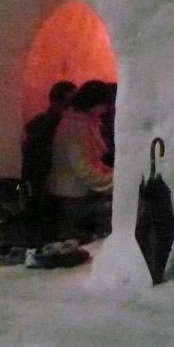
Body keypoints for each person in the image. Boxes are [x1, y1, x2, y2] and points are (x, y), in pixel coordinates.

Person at [46, 79, 115, 241]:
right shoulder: (73, 128)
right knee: (123, 213)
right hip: (71, 199)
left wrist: (111, 173)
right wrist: (116, 180)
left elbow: (93, 162)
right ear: (94, 103)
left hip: (79, 193)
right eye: (105, 105)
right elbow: (84, 170)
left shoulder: (85, 123)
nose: (106, 109)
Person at [21, 80, 76, 194]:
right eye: (69, 103)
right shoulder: (43, 124)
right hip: (46, 182)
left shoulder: (46, 122)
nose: (73, 107)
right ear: (56, 103)